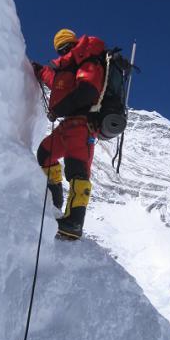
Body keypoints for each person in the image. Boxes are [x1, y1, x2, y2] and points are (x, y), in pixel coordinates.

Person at [32, 29, 105, 239]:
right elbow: (56, 82)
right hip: (68, 126)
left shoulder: (88, 61)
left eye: (66, 46)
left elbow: (87, 92)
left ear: (74, 44)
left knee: (77, 171)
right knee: (45, 154)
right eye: (61, 48)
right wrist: (38, 70)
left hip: (83, 124)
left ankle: (73, 224)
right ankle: (54, 200)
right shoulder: (67, 69)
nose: (65, 50)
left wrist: (58, 110)